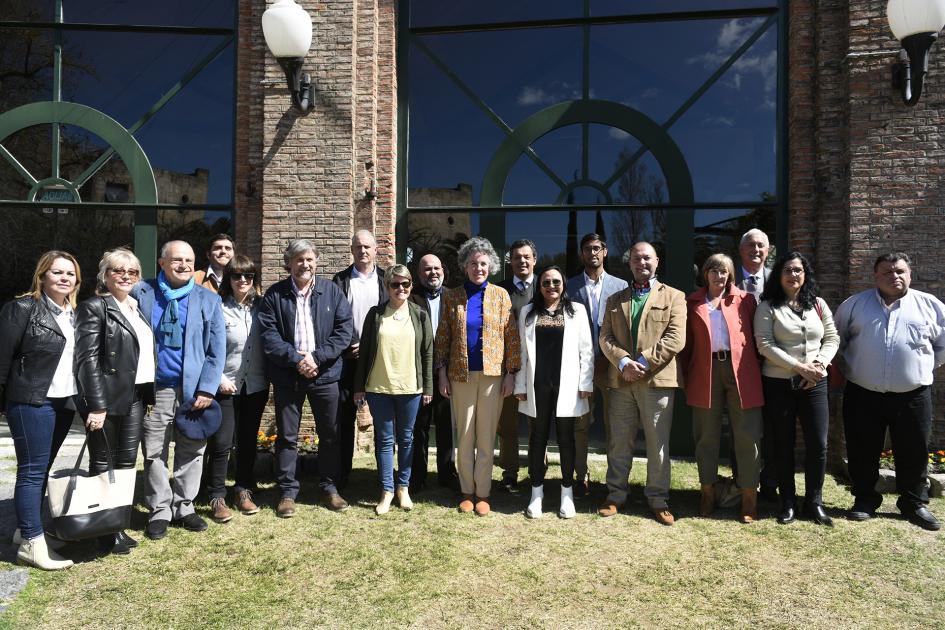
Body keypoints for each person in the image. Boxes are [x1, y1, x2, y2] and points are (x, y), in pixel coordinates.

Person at [835, 252, 945, 530]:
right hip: (863, 392)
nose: (893, 276)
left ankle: (913, 503)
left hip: (913, 394)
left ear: (910, 274)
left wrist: (924, 368)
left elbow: (943, 344)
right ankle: (864, 500)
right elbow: (837, 340)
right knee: (862, 448)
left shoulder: (930, 306)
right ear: (875, 276)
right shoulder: (854, 305)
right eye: (886, 272)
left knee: (914, 450)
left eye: (899, 271)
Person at [132, 240, 226, 540]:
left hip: (193, 391)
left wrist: (208, 389)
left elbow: (216, 351)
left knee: (192, 449)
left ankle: (184, 507)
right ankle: (160, 510)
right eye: (176, 260)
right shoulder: (142, 293)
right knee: (154, 451)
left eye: (189, 260)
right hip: (156, 389)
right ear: (162, 263)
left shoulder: (208, 300)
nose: (183, 265)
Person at [258, 239, 353, 516]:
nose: (305, 264)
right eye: (299, 259)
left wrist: (317, 358)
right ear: (289, 263)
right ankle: (287, 492)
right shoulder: (275, 295)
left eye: (310, 259)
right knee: (287, 437)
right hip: (289, 377)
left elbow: (343, 330)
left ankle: (330, 487)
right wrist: (297, 360)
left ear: (316, 262)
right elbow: (269, 335)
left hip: (325, 376)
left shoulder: (332, 292)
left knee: (330, 435)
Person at [0, 251, 81, 570]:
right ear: (42, 275)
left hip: (63, 402)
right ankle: (33, 545)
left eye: (70, 274)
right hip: (31, 400)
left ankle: (26, 530)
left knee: (42, 467)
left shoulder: (74, 313)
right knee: (32, 470)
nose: (64, 278)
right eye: (57, 272)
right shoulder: (21, 308)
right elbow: (2, 359)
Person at [598, 242, 686, 526]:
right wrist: (624, 362)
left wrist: (644, 363)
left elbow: (675, 338)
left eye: (647, 258)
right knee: (619, 440)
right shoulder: (615, 299)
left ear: (657, 261)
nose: (642, 263)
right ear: (630, 264)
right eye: (636, 259)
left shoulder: (674, 297)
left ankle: (658, 499)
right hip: (622, 380)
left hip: (656, 380)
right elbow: (605, 337)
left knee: (657, 443)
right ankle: (615, 495)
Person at [75, 248, 155, 555]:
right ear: (104, 275)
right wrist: (96, 404)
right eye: (117, 271)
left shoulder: (135, 307)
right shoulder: (94, 307)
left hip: (134, 396)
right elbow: (87, 359)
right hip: (106, 400)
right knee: (102, 463)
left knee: (124, 464)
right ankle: (103, 529)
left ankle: (117, 524)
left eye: (132, 272)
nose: (125, 277)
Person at [435, 237, 521, 517]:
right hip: (460, 375)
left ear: (491, 266)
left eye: (483, 263)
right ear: (465, 266)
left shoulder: (501, 296)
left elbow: (511, 337)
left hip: (493, 376)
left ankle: (483, 493)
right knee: (465, 435)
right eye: (473, 263)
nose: (478, 268)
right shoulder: (452, 296)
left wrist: (511, 373)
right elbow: (443, 338)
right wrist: (442, 373)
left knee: (486, 437)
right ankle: (467, 492)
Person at [754, 251, 839, 527]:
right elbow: (764, 345)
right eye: (788, 270)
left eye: (798, 270)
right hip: (779, 384)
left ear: (806, 275)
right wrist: (799, 367)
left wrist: (819, 365)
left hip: (815, 382)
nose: (793, 275)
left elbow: (832, 337)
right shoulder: (768, 306)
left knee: (818, 443)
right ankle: (788, 501)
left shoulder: (818, 304)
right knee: (783, 443)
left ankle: (814, 502)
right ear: (779, 275)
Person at [682, 254, 764, 523]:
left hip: (742, 372)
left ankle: (749, 498)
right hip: (705, 372)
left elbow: (757, 337)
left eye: (725, 271)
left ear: (731, 275)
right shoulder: (692, 302)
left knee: (747, 435)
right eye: (714, 271)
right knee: (706, 436)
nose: (720, 276)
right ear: (705, 273)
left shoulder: (745, 300)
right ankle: (707, 492)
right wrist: (686, 375)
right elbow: (686, 345)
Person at [353, 265, 434, 514]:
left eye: (406, 284)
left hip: (411, 387)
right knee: (385, 440)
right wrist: (359, 387)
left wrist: (428, 386)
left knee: (407, 439)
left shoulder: (420, 315)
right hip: (379, 387)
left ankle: (403, 488)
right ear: (387, 286)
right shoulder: (375, 314)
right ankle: (387, 491)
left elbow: (428, 353)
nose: (401, 289)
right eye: (395, 284)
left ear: (411, 285)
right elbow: (364, 352)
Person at [514, 266, 593, 519]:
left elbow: (587, 351)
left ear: (564, 284)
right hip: (537, 385)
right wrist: (520, 386)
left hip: (567, 385)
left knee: (566, 438)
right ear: (540, 286)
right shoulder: (527, 312)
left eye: (556, 282)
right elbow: (521, 353)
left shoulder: (577, 311)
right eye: (546, 282)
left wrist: (585, 384)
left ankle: (566, 493)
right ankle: (536, 494)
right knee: (537, 439)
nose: (551, 286)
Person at [206, 256, 270, 521]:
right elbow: (205, 346)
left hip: (255, 384)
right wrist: (218, 377)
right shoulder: (217, 308)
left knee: (247, 440)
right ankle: (217, 495)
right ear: (228, 279)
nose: (243, 281)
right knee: (222, 443)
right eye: (237, 276)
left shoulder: (263, 308)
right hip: (226, 385)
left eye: (249, 276)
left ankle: (243, 489)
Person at [567, 233, 628, 496]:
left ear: (605, 252)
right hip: (580, 365)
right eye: (587, 249)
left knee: (615, 423)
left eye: (597, 248)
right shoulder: (569, 286)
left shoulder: (621, 285)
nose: (592, 253)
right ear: (582, 254)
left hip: (611, 364)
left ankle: (614, 481)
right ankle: (581, 476)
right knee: (580, 423)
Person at [332, 229, 387, 488]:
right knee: (343, 419)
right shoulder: (339, 280)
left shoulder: (387, 280)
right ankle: (341, 474)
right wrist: (351, 344)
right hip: (347, 359)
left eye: (367, 246)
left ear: (376, 250)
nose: (363, 251)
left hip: (379, 360)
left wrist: (369, 346)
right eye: (358, 247)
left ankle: (383, 477)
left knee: (383, 420)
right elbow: (334, 319)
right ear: (351, 250)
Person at [408, 253, 458, 491]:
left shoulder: (455, 296)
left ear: (443, 271)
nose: (433, 273)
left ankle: (447, 473)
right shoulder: (411, 297)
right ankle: (417, 476)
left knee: (447, 424)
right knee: (419, 426)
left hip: (448, 371)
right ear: (419, 274)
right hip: (419, 372)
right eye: (427, 269)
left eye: (437, 268)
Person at [735, 228, 776, 501]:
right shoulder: (726, 277)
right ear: (741, 250)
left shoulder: (780, 279)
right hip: (737, 366)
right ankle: (740, 483)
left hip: (773, 366)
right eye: (750, 245)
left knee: (772, 426)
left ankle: (770, 484)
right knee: (740, 427)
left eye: (761, 245)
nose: (756, 250)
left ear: (769, 250)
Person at [496, 239, 537, 493]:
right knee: (507, 424)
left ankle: (536, 471)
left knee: (537, 423)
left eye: (526, 256)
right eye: (516, 257)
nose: (521, 261)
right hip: (507, 368)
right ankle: (509, 472)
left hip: (536, 368)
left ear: (534, 259)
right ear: (509, 261)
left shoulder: (547, 288)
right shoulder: (499, 291)